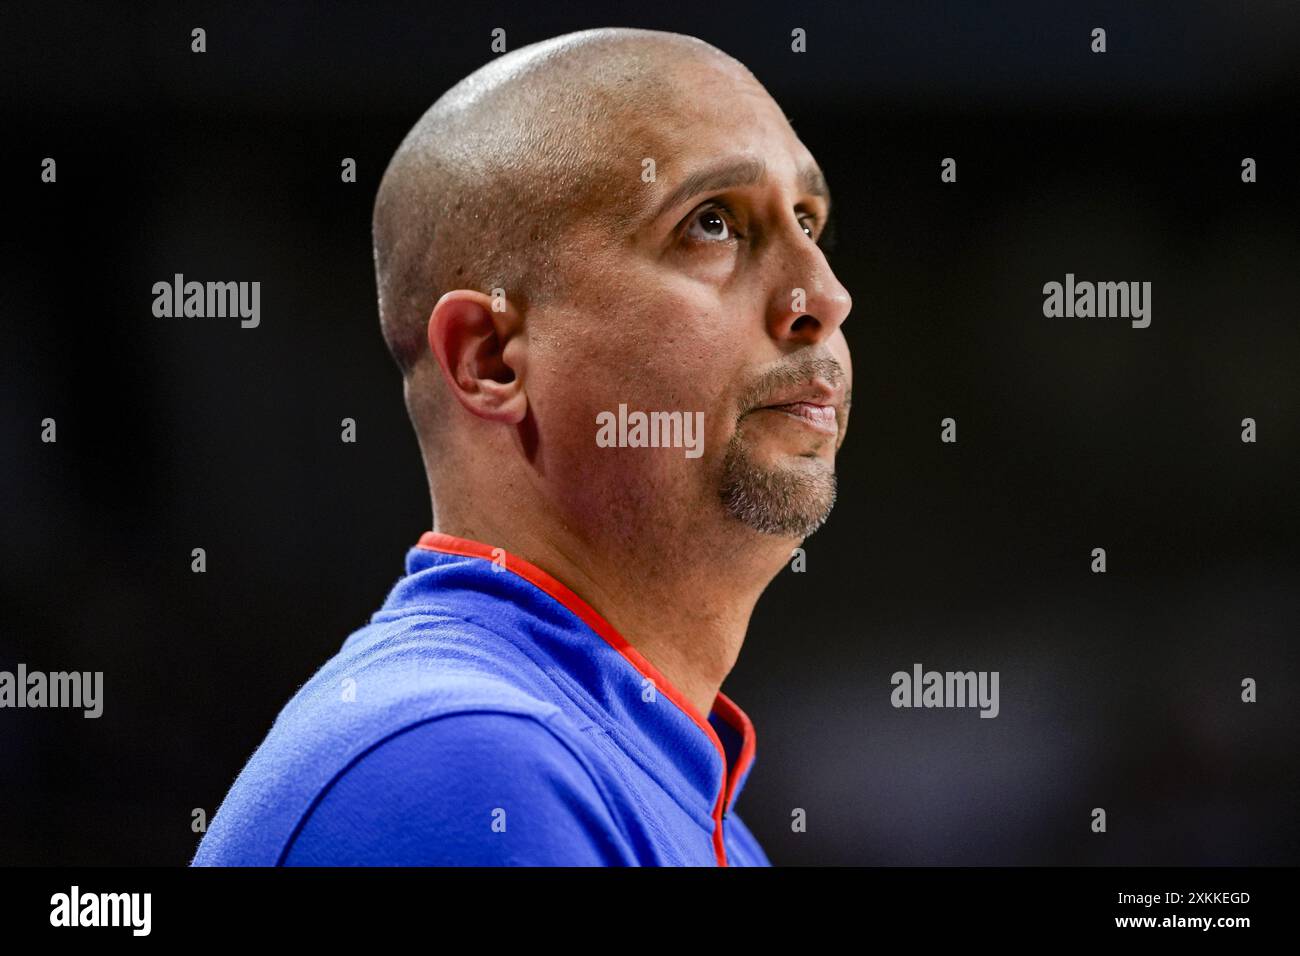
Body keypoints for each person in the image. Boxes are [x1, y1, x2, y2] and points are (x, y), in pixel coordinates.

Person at [192, 25, 852, 867]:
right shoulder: (464, 762)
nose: (824, 295)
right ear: (490, 359)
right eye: (713, 222)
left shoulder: (658, 780)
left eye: (808, 223)